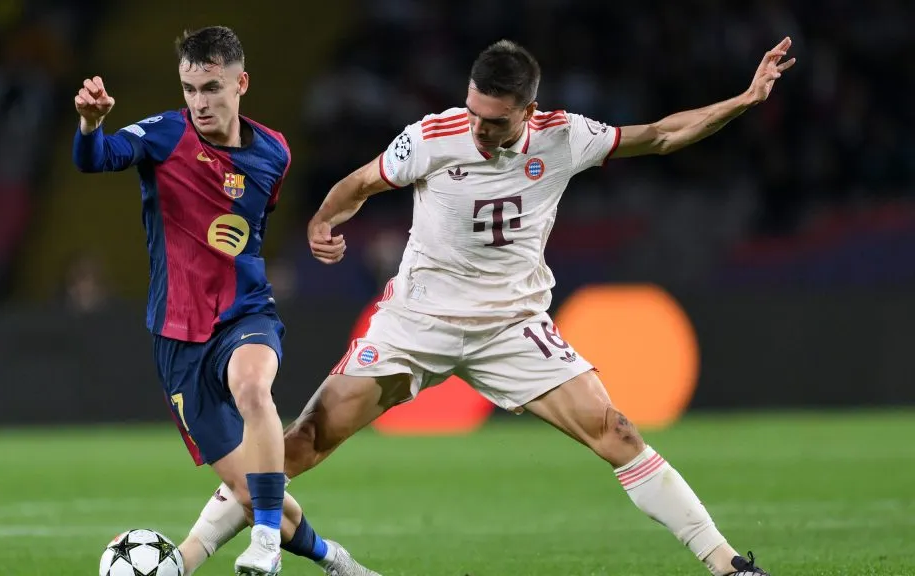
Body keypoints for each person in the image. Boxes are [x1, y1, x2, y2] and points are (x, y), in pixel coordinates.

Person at [281, 37, 797, 576]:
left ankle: (728, 565)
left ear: (529, 112)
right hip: (418, 320)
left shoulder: (563, 136)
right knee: (307, 437)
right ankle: (193, 554)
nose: (479, 129)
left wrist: (742, 100)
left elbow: (663, 135)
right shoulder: (432, 136)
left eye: (496, 122)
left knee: (616, 431)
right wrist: (322, 221)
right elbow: (361, 182)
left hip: (511, 326)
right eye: (474, 112)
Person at [72, 25, 379, 576]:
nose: (199, 102)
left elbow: (248, 226)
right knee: (246, 487)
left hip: (244, 311)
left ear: (242, 83)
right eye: (190, 89)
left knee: (252, 387)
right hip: (177, 335)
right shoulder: (166, 135)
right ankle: (335, 560)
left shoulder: (275, 152)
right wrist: (91, 124)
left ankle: (263, 544)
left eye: (211, 87)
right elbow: (96, 158)